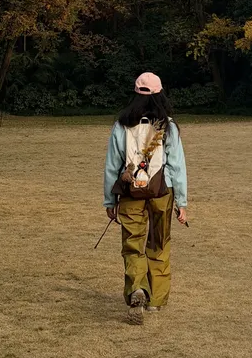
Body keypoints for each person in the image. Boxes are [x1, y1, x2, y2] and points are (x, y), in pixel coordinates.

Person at [103, 72, 188, 324]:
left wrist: (110, 201)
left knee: (133, 244)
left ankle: (137, 288)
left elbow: (112, 167)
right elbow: (178, 167)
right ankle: (156, 301)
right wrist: (181, 203)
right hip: (163, 192)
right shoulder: (168, 126)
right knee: (159, 244)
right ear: (160, 94)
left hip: (130, 194)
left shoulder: (121, 125)